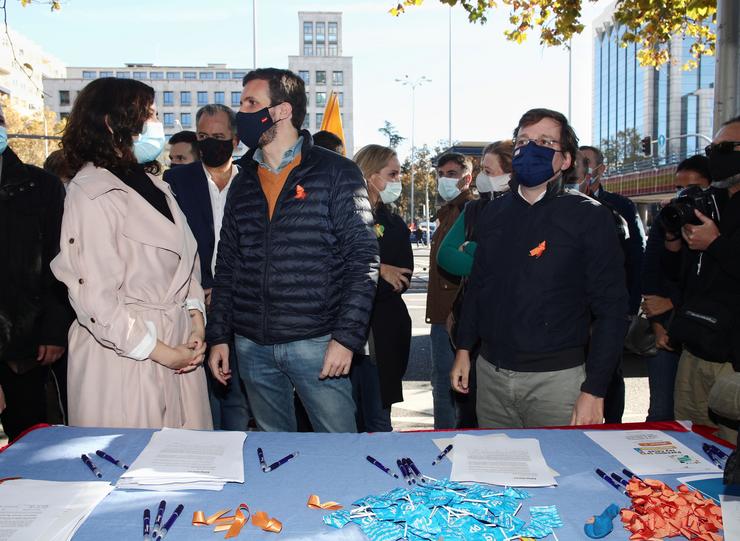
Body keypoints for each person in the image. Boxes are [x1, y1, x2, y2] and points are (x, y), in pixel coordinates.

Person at [206, 68, 379, 433]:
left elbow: (362, 260)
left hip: (318, 343)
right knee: (276, 453)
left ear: (282, 111)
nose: (242, 112)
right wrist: (219, 335)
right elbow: (228, 266)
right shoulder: (244, 181)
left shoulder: (337, 173)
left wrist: (346, 339)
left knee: (338, 448)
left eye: (252, 103)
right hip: (252, 346)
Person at [451, 108, 628, 428]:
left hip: (558, 382)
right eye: (523, 140)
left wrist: (595, 388)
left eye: (545, 142)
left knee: (564, 474)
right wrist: (464, 348)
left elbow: (612, 309)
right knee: (496, 473)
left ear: (566, 160)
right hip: (491, 376)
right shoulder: (491, 213)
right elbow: (479, 287)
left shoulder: (590, 217)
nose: (530, 148)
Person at [50, 77, 211, 429]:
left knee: (190, 467)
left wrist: (197, 322)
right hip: (126, 354)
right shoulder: (90, 191)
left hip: (180, 346)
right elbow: (94, 298)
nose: (157, 123)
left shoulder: (158, 186)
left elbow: (187, 265)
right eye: (148, 113)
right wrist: (164, 352)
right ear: (112, 122)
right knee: (131, 468)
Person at [163, 104, 248, 431]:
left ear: (235, 140)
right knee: (199, 397)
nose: (210, 142)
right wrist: (197, 290)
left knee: (236, 395)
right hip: (191, 306)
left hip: (240, 307)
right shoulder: (175, 182)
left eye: (218, 136)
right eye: (203, 136)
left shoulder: (252, 182)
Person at [663, 115, 740, 442]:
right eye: (711, 148)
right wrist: (674, 239)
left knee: (727, 459)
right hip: (695, 350)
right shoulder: (714, 203)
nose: (714, 155)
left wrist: (716, 244)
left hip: (732, 363)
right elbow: (682, 276)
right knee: (689, 447)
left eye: (724, 147)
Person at [0, 102, 72, 441]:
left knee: (28, 439)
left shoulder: (41, 186)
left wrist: (54, 331)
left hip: (25, 343)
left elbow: (59, 262)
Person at [436, 140, 514, 429]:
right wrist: (489, 263)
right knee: (470, 414)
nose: (481, 176)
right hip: (475, 326)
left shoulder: (525, 211)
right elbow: (446, 256)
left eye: (488, 170)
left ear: (509, 175)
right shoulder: (475, 210)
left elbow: (519, 267)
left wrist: (471, 250)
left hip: (516, 332)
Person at [641, 155, 712, 421]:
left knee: (702, 417)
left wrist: (672, 303)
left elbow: (714, 284)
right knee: (662, 413)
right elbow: (651, 275)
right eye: (680, 189)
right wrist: (658, 324)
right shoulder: (668, 220)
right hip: (666, 331)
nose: (686, 197)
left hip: (704, 336)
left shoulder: (722, 225)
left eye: (694, 189)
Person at [579, 145, 646, 424]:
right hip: (569, 315)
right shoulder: (554, 206)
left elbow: (636, 260)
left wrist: (627, 310)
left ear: (600, 170)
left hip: (607, 311)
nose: (578, 171)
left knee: (608, 374)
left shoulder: (620, 207)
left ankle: (612, 430)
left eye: (586, 163)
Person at [351, 144, 413, 432]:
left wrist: (367, 275)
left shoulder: (395, 224)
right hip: (341, 341)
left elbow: (401, 279)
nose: (397, 181)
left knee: (378, 420)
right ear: (369, 174)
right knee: (341, 423)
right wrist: (378, 270)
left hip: (382, 338)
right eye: (392, 174)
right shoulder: (339, 217)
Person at [425, 152, 475, 429]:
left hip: (455, 315)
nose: (444, 180)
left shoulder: (469, 212)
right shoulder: (447, 211)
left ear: (467, 179)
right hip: (443, 313)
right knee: (443, 382)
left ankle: (447, 441)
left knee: (449, 384)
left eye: (451, 174)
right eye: (441, 174)